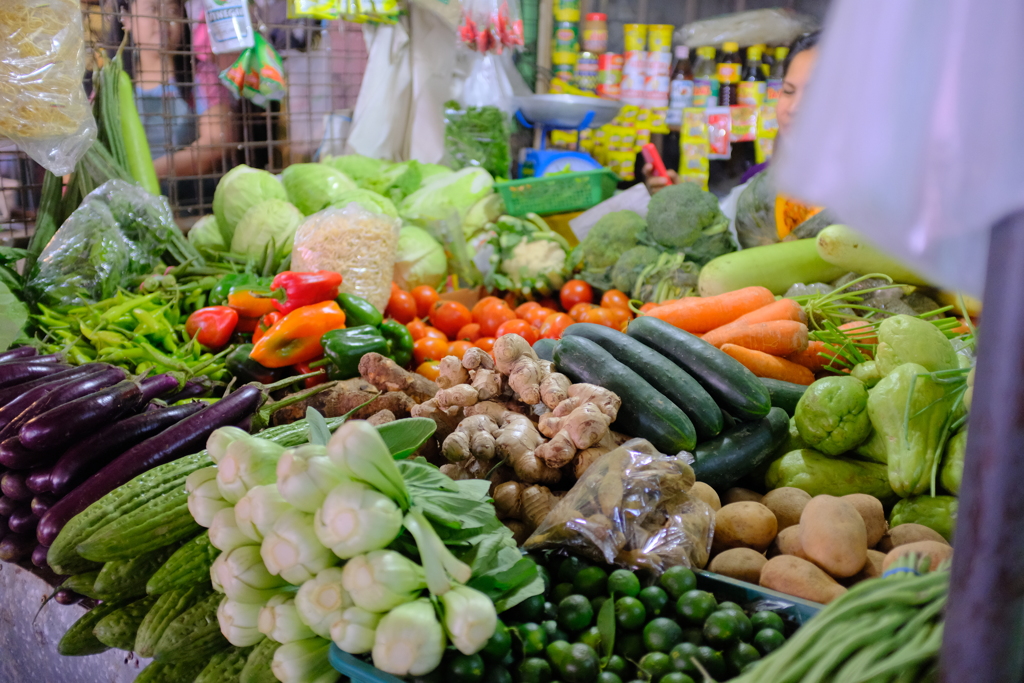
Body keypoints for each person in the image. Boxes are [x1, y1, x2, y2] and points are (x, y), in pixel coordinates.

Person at [643, 31, 821, 194]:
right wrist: (678, 198)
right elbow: (729, 222)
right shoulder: (759, 181)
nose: (793, 108)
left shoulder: (843, 196)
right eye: (788, 91)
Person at [121, 0, 236, 206]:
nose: (164, 20)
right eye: (153, 9)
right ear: (126, 19)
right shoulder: (115, 83)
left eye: (173, 11)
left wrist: (142, 174)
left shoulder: (201, 76)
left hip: (190, 204)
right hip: (127, 204)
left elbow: (216, 142)